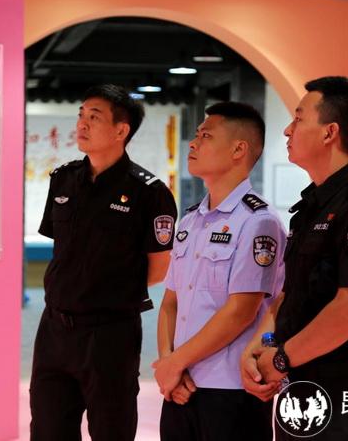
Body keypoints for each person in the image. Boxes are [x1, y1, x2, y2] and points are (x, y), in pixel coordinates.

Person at [241, 76, 348, 440]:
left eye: (299, 118)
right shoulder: (312, 205)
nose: (288, 129)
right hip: (300, 383)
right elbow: (291, 295)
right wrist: (262, 344)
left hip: (347, 392)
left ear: (329, 132)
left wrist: (282, 358)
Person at [30, 84, 178, 441]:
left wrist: (108, 292)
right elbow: (62, 251)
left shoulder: (149, 192)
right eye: (81, 115)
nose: (82, 124)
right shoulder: (64, 179)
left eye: (94, 117)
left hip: (110, 334)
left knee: (111, 430)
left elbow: (159, 268)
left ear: (120, 130)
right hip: (54, 330)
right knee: (48, 429)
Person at [153, 102, 285, 441]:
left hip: (230, 390)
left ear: (239, 150)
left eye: (206, 136)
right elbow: (170, 302)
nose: (193, 143)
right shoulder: (190, 221)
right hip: (180, 386)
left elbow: (241, 311)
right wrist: (169, 363)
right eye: (197, 135)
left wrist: (174, 363)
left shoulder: (258, 222)